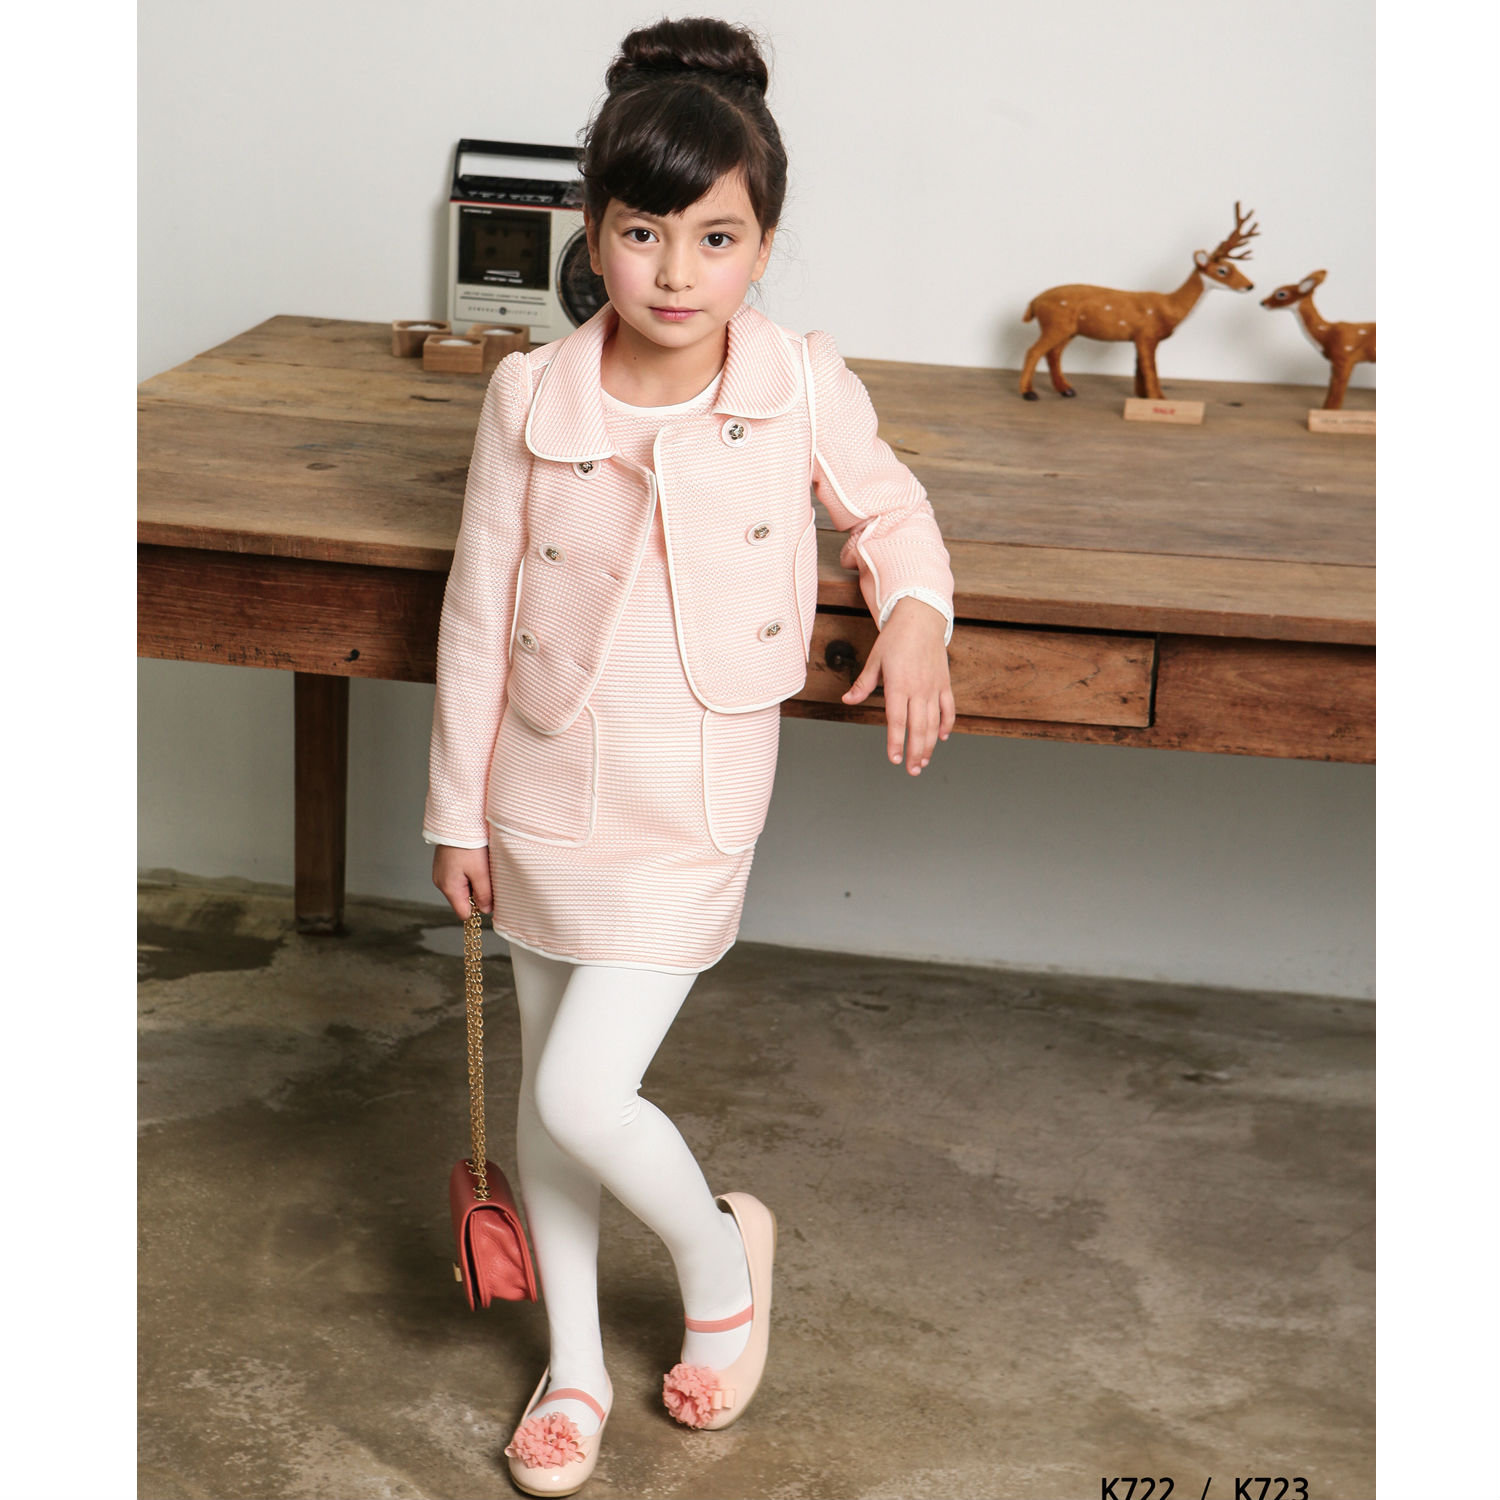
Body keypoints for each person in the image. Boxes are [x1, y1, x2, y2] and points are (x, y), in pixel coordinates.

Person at [424, 15, 957, 1495]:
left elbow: (894, 514)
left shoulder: (797, 381)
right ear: (595, 234)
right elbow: (478, 607)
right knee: (552, 1098)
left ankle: (723, 1262)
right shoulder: (533, 393)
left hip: (697, 792)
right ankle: (574, 1367)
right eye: (643, 233)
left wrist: (915, 616)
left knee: (583, 1094)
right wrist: (454, 810)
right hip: (539, 786)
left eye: (715, 239)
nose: (675, 272)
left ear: (763, 245)